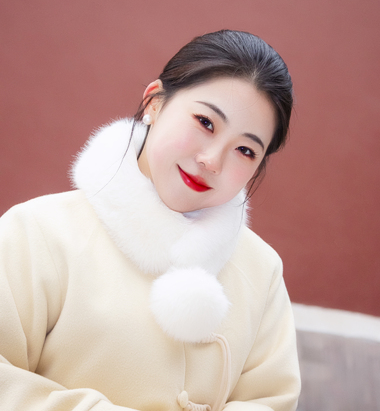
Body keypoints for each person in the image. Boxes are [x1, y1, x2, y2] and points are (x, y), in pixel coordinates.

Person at [0, 30, 301, 411]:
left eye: (245, 150)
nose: (212, 161)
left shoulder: (262, 270)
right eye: (205, 122)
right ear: (154, 102)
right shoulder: (37, 233)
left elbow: (270, 401)